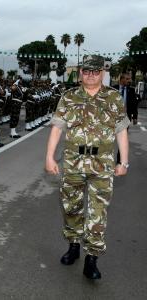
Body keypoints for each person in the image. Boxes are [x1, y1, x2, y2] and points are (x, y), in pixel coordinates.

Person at [45, 55, 130, 280]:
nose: (90, 75)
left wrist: (124, 161)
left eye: (95, 72)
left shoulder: (113, 97)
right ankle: (73, 245)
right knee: (71, 206)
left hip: (103, 163)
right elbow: (57, 128)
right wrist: (50, 157)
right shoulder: (69, 97)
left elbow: (121, 131)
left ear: (102, 73)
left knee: (98, 212)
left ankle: (92, 258)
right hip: (73, 161)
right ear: (81, 73)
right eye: (86, 71)